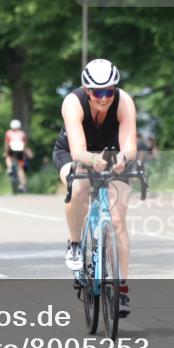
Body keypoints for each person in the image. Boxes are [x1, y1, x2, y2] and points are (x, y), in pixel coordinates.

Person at [52, 59, 138, 314]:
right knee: (77, 186)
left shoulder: (124, 102)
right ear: (86, 90)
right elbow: (78, 150)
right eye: (97, 92)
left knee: (118, 219)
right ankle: (75, 244)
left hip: (111, 154)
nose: (103, 97)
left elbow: (130, 145)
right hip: (74, 153)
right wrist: (91, 160)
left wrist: (123, 158)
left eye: (109, 91)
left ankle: (121, 287)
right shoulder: (72, 102)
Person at [4, 119, 33, 193]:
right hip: (20, 149)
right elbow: (24, 144)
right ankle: (22, 185)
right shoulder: (22, 133)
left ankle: (10, 168)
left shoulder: (8, 133)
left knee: (8, 157)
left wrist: (5, 152)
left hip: (12, 147)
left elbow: (7, 144)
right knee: (20, 168)